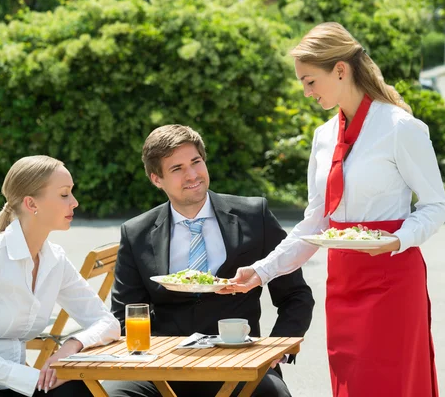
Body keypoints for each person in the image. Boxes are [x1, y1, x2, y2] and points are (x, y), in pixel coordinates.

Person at [225, 22, 445, 397]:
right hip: (343, 280)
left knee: (392, 385)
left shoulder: (400, 128)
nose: (306, 91)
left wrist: (397, 240)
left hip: (393, 279)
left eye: (310, 81)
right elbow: (317, 221)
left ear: (341, 70)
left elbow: (435, 204)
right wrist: (261, 272)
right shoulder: (323, 136)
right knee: (350, 386)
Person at [104, 124, 315, 397]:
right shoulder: (136, 233)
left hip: (240, 361)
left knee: (273, 395)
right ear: (157, 179)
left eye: (196, 162)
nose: (192, 175)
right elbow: (125, 314)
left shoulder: (254, 215)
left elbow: (296, 295)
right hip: (162, 367)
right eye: (177, 169)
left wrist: (275, 350)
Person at [0, 155, 121, 397]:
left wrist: (70, 347)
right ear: (32, 204)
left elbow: (108, 323)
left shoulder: (55, 260)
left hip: (17, 386)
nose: (74, 202)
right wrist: (33, 378)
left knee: (78, 389)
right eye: (64, 194)